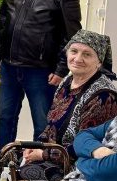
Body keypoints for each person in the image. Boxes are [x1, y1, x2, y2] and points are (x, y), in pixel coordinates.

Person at [0, 0, 82, 153]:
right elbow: (4, 20)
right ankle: (4, 161)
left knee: (43, 123)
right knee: (5, 116)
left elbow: (72, 32)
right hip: (9, 67)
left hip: (41, 71)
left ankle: (39, 167)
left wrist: (61, 69)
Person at [22, 30, 117, 169]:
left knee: (20, 174)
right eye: (74, 51)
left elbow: (84, 146)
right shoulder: (67, 81)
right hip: (53, 155)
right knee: (8, 159)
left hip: (77, 168)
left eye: (87, 54)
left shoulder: (103, 96)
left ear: (99, 62)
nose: (77, 59)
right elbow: (51, 125)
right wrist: (36, 146)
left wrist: (43, 155)